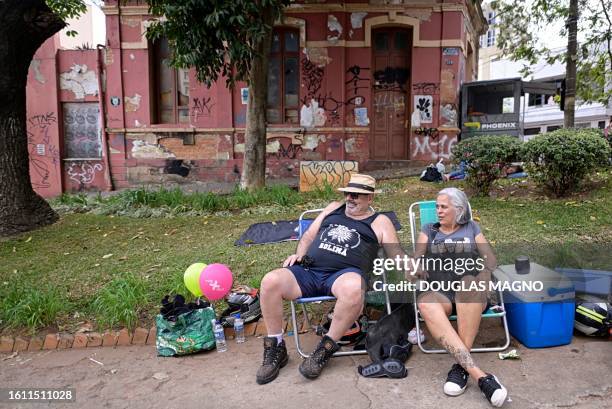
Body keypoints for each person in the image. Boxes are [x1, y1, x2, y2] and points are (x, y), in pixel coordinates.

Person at [255, 174, 403, 385]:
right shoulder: (333, 208)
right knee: (270, 280)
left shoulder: (380, 221)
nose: (350, 198)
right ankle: (276, 348)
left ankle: (325, 348)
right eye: (348, 193)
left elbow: (396, 254)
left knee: (354, 288)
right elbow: (308, 237)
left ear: (370, 198)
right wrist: (299, 254)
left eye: (357, 195)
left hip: (343, 276)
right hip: (310, 270)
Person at [413, 187, 508, 407]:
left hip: (470, 290)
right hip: (441, 291)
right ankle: (481, 376)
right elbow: (417, 257)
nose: (438, 211)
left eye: (443, 207)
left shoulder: (472, 227)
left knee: (467, 283)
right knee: (426, 301)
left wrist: (484, 273)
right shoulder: (428, 229)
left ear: (459, 209)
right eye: (437, 206)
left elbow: (490, 260)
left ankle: (461, 369)